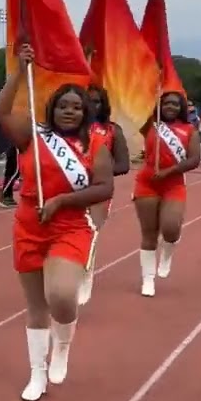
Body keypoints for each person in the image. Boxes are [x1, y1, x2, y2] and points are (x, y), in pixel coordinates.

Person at [0, 46, 114, 401]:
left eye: (76, 107)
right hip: (29, 224)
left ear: (85, 112)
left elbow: (104, 187)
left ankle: (62, 343)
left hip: (70, 225)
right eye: (63, 105)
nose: (69, 111)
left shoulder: (95, 144)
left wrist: (63, 200)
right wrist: (19, 70)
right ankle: (38, 374)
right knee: (35, 306)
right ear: (53, 108)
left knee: (61, 296)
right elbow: (0, 111)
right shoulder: (33, 136)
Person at [133, 91, 201, 297]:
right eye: (166, 103)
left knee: (171, 228)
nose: (170, 107)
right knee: (149, 233)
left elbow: (194, 160)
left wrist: (168, 172)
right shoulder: (150, 125)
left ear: (182, 107)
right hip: (148, 182)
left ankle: (168, 253)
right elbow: (139, 106)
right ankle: (148, 279)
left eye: (175, 103)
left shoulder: (190, 130)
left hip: (173, 183)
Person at [77, 83, 128, 305]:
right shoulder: (70, 128)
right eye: (88, 100)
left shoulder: (112, 131)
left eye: (96, 101)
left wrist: (98, 173)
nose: (92, 105)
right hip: (70, 189)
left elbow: (123, 165)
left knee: (91, 233)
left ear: (104, 104)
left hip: (98, 192)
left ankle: (84, 278)